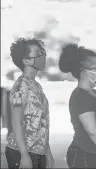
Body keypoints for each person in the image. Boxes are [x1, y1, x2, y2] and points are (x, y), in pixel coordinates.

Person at [58, 44, 96, 168]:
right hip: (86, 155)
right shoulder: (80, 96)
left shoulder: (94, 93)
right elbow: (92, 130)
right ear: (84, 70)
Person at [5, 38, 55, 169]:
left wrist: (47, 153)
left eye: (43, 52)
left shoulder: (36, 85)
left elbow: (41, 123)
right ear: (26, 60)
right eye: (38, 52)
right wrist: (24, 155)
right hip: (22, 152)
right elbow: (16, 122)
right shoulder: (21, 86)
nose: (43, 55)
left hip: (37, 152)